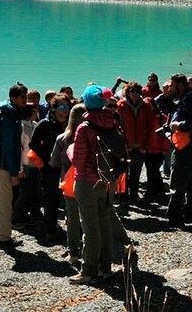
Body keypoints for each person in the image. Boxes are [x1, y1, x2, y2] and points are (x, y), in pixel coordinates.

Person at [69, 85, 117, 284]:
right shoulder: (112, 122)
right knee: (105, 223)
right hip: (108, 180)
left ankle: (89, 271)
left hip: (88, 181)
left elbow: (78, 161)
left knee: (90, 227)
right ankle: (105, 267)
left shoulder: (84, 127)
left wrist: (70, 150)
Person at [0, 83, 30, 249]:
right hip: (3, 165)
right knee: (5, 202)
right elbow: (9, 148)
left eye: (25, 97)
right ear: (13, 98)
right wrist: (14, 173)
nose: (24, 100)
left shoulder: (10, 114)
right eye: (22, 97)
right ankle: (4, 238)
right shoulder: (9, 118)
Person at [165, 74, 192, 229]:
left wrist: (180, 125)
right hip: (190, 146)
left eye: (172, 85)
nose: (170, 88)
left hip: (187, 147)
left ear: (181, 85)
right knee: (189, 180)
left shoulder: (189, 99)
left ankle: (174, 217)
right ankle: (188, 212)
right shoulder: (186, 99)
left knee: (178, 181)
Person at [31, 93, 72, 241]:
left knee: (68, 200)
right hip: (51, 170)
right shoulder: (45, 123)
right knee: (51, 201)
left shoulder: (71, 124)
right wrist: (46, 160)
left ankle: (72, 230)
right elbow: (33, 145)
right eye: (61, 106)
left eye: (67, 106)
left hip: (69, 169)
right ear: (53, 108)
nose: (65, 110)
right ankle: (50, 230)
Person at [50, 102, 86, 267]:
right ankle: (89, 249)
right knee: (88, 216)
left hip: (68, 182)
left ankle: (73, 252)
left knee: (72, 218)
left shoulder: (62, 138)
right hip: (87, 181)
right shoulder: (90, 136)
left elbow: (53, 162)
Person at [116, 81, 156, 203]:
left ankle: (134, 195)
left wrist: (147, 145)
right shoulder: (121, 106)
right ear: (127, 92)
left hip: (140, 146)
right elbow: (118, 127)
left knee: (136, 172)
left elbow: (150, 126)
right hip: (126, 146)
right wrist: (125, 145)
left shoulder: (145, 106)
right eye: (132, 91)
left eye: (137, 91)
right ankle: (122, 196)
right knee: (123, 173)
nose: (135, 93)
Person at [12, 102, 42, 228]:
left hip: (35, 163)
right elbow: (19, 148)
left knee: (34, 191)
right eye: (34, 111)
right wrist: (19, 168)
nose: (36, 113)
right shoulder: (22, 127)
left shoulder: (35, 125)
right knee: (24, 193)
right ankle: (15, 218)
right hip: (25, 164)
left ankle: (29, 215)